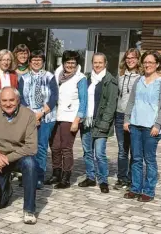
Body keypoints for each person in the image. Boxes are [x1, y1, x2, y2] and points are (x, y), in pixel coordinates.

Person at [0, 87, 38, 224]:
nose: (8, 104)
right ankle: (7, 188)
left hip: (18, 157)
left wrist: (6, 159)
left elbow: (31, 147)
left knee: (30, 164)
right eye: (4, 100)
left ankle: (29, 210)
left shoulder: (28, 115)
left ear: (18, 100)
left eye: (11, 100)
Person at [46, 50, 87, 189]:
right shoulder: (58, 74)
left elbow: (84, 101)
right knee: (55, 147)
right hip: (56, 115)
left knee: (66, 148)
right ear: (63, 62)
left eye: (73, 63)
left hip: (70, 117)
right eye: (68, 62)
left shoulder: (80, 78)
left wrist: (77, 120)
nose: (70, 65)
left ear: (77, 64)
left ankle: (66, 177)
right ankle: (56, 173)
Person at [124, 50, 161, 202]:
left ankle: (149, 191)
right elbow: (131, 102)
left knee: (149, 159)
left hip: (151, 127)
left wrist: (158, 124)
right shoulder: (139, 80)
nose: (147, 65)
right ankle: (135, 188)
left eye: (151, 62)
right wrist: (127, 119)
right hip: (135, 124)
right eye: (145, 62)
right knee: (136, 159)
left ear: (157, 64)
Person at [78, 53, 117, 193]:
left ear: (105, 63)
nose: (98, 65)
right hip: (86, 121)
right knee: (87, 152)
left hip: (101, 122)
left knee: (99, 153)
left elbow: (111, 105)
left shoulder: (110, 80)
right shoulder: (86, 78)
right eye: (95, 62)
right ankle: (90, 177)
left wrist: (105, 123)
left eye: (100, 62)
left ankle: (103, 180)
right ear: (92, 63)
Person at [18, 50, 58, 189]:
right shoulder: (23, 78)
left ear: (43, 62)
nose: (36, 62)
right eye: (34, 59)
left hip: (46, 118)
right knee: (27, 148)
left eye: (39, 59)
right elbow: (21, 98)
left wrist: (40, 114)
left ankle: (39, 177)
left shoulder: (50, 76)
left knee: (41, 148)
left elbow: (53, 98)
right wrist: (31, 115)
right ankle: (28, 176)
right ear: (30, 61)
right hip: (28, 118)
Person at [114, 48, 141, 190]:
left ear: (138, 60)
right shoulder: (120, 75)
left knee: (134, 149)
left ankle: (132, 178)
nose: (130, 60)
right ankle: (122, 178)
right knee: (122, 150)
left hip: (135, 118)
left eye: (133, 58)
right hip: (119, 115)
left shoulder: (141, 77)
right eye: (128, 58)